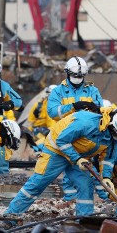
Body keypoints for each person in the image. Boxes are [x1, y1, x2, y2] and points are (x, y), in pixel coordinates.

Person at [4, 107, 117, 218]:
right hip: (56, 151)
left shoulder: (113, 138)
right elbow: (61, 140)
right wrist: (77, 159)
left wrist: (107, 177)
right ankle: (11, 215)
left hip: (78, 156)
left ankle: (84, 220)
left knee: (86, 185)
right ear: (114, 128)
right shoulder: (85, 123)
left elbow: (107, 159)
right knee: (38, 183)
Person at [47, 57, 104, 200]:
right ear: (67, 73)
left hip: (85, 137)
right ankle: (70, 199)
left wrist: (96, 109)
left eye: (81, 76)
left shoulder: (92, 90)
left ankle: (98, 197)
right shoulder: (58, 91)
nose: (78, 78)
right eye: (75, 75)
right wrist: (72, 107)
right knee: (68, 168)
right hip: (65, 135)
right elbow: (53, 112)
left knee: (86, 168)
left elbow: (101, 112)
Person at [28, 85, 56, 151]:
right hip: (38, 130)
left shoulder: (59, 106)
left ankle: (36, 147)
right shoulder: (40, 105)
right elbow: (30, 120)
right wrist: (29, 134)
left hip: (49, 129)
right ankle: (35, 148)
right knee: (49, 137)